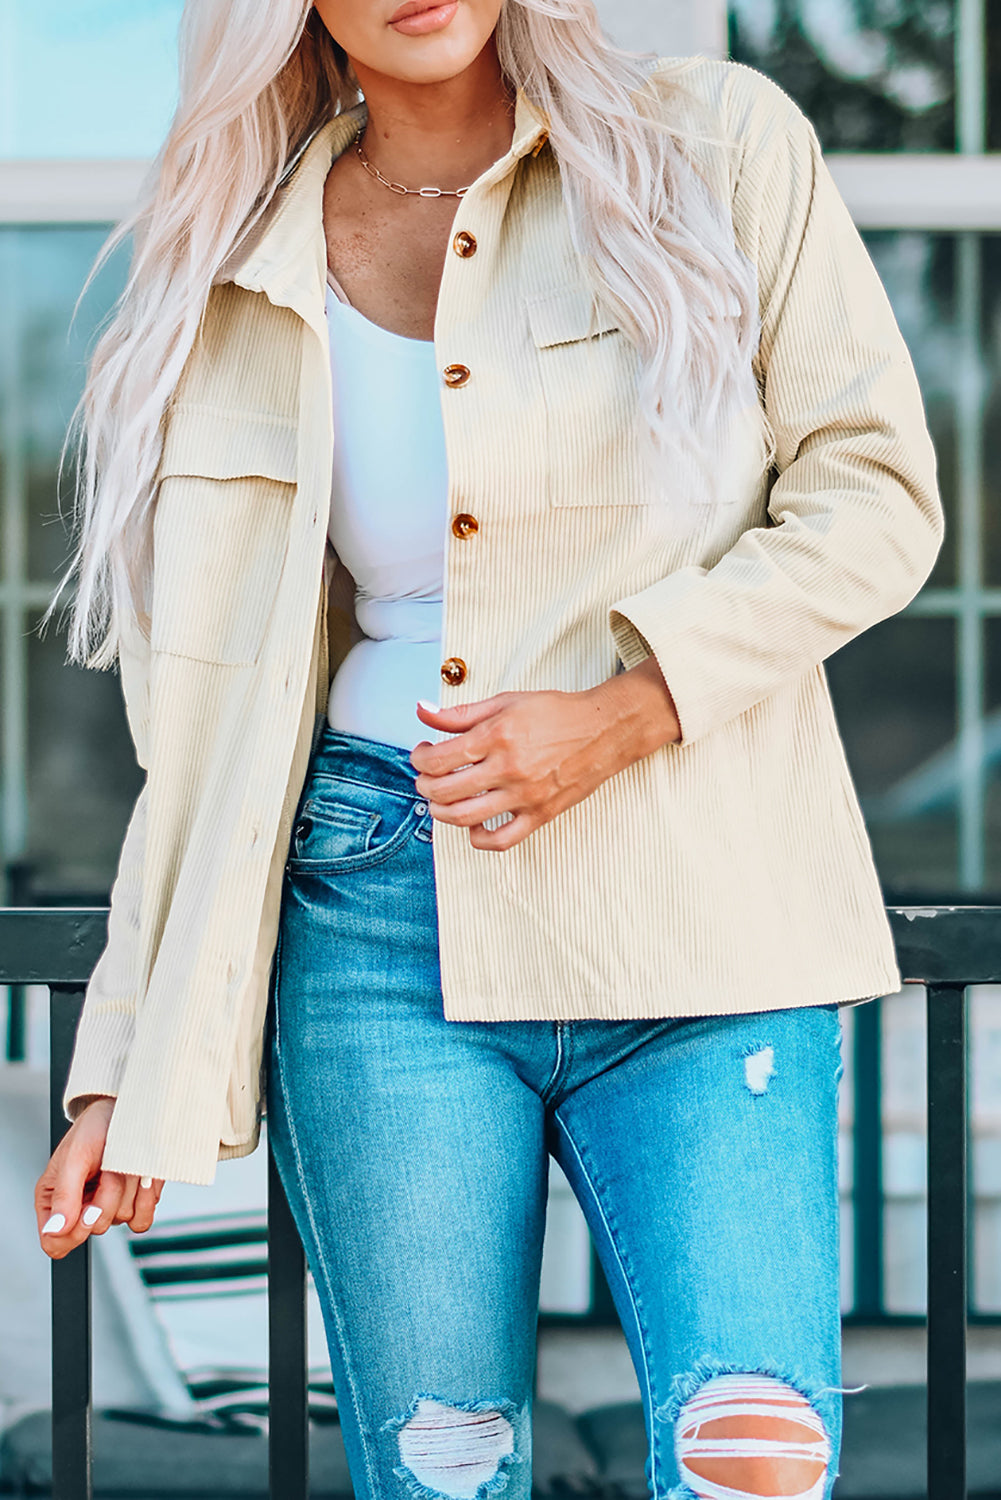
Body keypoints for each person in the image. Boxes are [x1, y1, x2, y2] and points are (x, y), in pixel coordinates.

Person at [34, 3, 943, 1497]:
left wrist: (623, 713)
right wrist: (123, 1068)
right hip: (373, 911)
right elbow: (202, 718)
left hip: (703, 898)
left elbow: (874, 496)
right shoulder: (237, 256)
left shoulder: (709, 144)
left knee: (755, 1462)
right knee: (441, 1469)